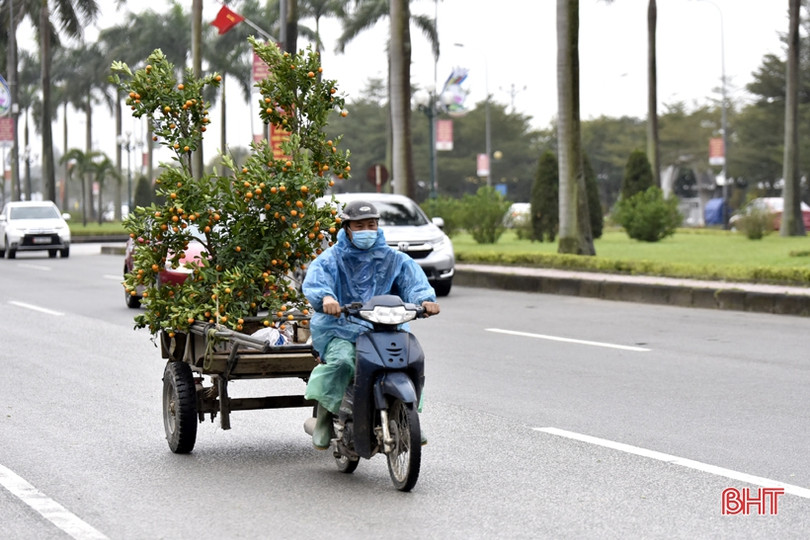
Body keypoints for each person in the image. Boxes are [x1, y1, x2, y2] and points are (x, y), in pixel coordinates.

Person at [302, 200, 440, 449]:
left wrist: (425, 301)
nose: (366, 230)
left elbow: (414, 282)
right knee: (343, 362)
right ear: (346, 228)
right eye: (359, 226)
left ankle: (407, 417)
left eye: (371, 225)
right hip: (340, 327)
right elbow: (318, 281)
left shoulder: (393, 258)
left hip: (384, 326)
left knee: (410, 359)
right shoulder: (332, 258)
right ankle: (323, 418)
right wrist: (327, 298)